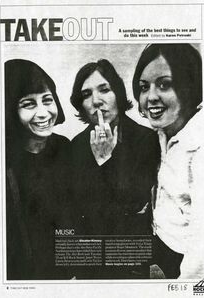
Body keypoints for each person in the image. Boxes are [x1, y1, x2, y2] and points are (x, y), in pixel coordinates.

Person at [70, 59, 160, 279]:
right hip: (90, 262)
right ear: (80, 104)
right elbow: (79, 209)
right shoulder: (75, 146)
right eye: (86, 95)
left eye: (104, 90)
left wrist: (105, 160)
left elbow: (134, 202)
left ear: (118, 94)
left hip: (131, 259)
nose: (96, 101)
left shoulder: (146, 139)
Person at [132, 43, 204, 278]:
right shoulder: (163, 132)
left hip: (185, 259)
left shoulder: (203, 148)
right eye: (144, 87)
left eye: (164, 84)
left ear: (190, 85)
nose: (150, 97)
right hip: (162, 243)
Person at [5, 59, 73, 280]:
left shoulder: (66, 147)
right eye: (28, 104)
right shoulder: (2, 160)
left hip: (68, 274)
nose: (43, 113)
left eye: (47, 100)